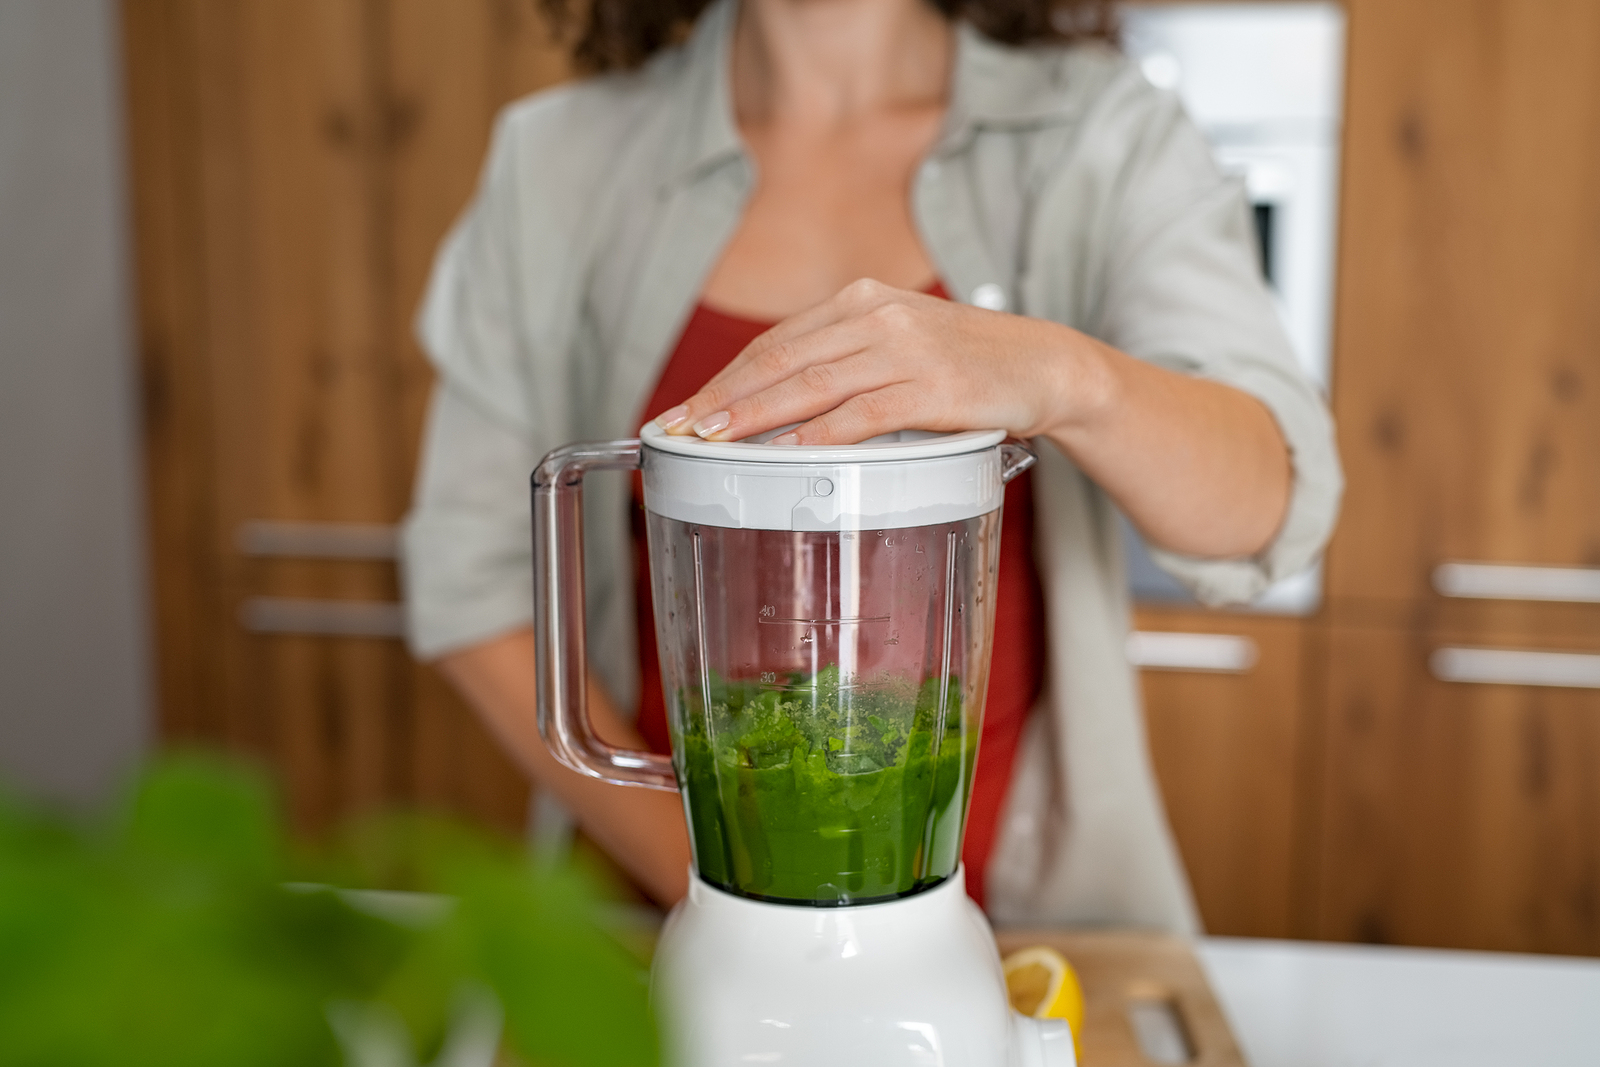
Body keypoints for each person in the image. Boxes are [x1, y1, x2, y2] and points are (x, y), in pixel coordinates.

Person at [401, 0, 1341, 931]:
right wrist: (723, 886)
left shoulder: (1105, 136)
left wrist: (1063, 374)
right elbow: (469, 582)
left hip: (1027, 934)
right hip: (653, 923)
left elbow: (1269, 500)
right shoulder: (556, 160)